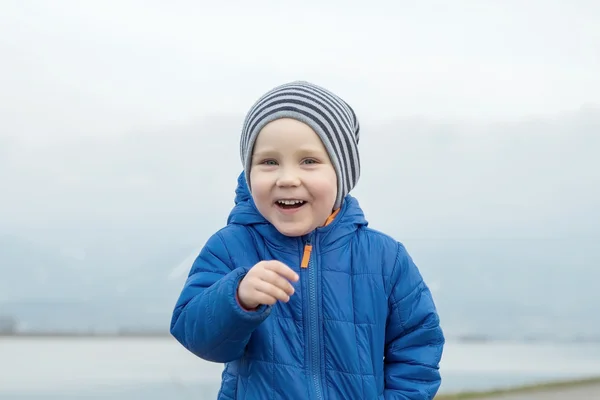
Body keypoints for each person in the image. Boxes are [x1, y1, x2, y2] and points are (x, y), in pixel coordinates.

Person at [170, 81, 445, 399]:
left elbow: (418, 350)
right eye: (269, 162)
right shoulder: (231, 247)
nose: (287, 178)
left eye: (309, 161)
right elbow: (194, 334)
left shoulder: (385, 258)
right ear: (248, 173)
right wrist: (237, 297)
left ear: (342, 174)